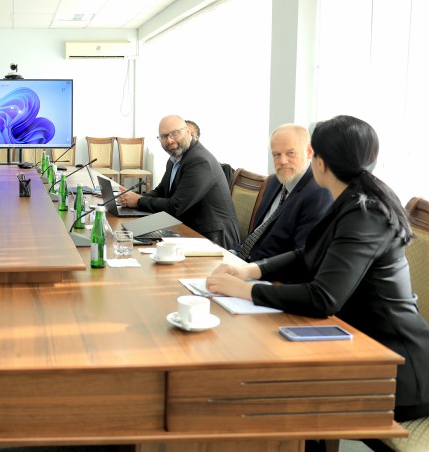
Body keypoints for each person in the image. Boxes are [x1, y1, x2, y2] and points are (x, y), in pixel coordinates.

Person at [208, 115, 429, 424]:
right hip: (355, 341)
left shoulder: (365, 213)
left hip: (395, 367)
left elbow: (323, 298)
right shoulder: (349, 199)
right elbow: (307, 254)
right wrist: (252, 271)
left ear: (320, 162)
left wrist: (245, 291)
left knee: (270, 394)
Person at [119, 115, 239, 248]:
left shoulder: (199, 160)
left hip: (212, 239)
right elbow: (161, 191)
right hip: (186, 227)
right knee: (128, 237)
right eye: (164, 136)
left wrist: (138, 201)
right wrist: (131, 198)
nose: (170, 140)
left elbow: (176, 207)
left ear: (187, 132)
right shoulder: (174, 159)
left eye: (175, 133)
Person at [231, 124, 332, 261]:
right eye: (276, 155)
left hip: (266, 271)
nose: (282, 161)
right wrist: (231, 254)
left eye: (290, 153)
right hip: (241, 259)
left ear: (309, 152)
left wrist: (251, 270)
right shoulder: (274, 181)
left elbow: (302, 259)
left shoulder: (319, 194)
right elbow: (256, 235)